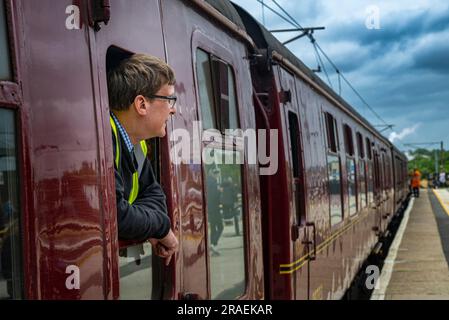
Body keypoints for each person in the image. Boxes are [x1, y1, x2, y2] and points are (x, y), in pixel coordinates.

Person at [107, 54, 178, 265]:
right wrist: (161, 227)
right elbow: (114, 213)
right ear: (142, 104)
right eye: (169, 99)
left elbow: (155, 195)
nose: (173, 109)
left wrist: (150, 223)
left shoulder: (135, 144)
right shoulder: (104, 139)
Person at [207, 168, 223, 256]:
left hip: (210, 208)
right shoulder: (213, 182)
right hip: (215, 208)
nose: (218, 175)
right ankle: (213, 244)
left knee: (213, 228)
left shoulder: (208, 181)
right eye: (217, 173)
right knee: (220, 227)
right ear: (213, 173)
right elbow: (213, 196)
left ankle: (214, 247)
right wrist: (219, 192)